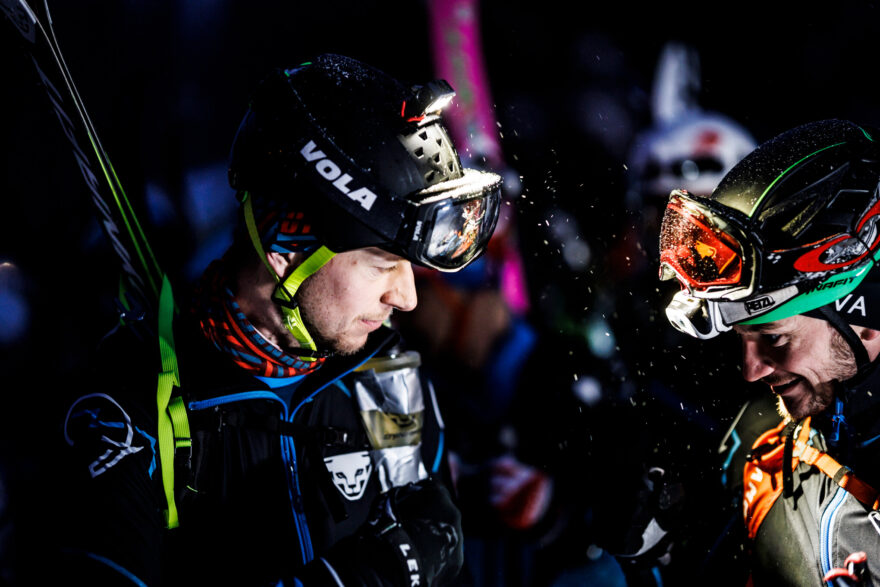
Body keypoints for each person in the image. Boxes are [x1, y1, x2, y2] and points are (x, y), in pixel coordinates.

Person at [54, 54, 502, 586]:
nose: (406, 297)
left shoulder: (383, 371)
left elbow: (437, 536)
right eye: (384, 263)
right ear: (287, 248)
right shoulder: (131, 405)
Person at [657, 118, 880, 584]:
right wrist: (645, 555)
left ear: (865, 319)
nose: (751, 370)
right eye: (742, 337)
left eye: (775, 337)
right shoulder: (761, 445)